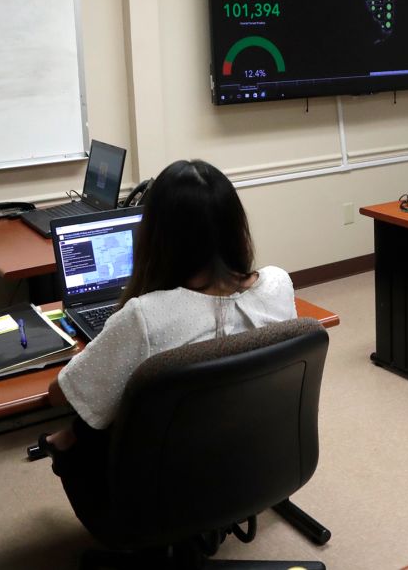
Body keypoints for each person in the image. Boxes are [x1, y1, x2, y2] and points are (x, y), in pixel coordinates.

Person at [42, 159, 296, 525]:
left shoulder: (146, 316)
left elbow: (61, 394)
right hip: (255, 460)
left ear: (157, 236)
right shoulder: (278, 284)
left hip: (159, 489)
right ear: (234, 226)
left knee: (92, 423)